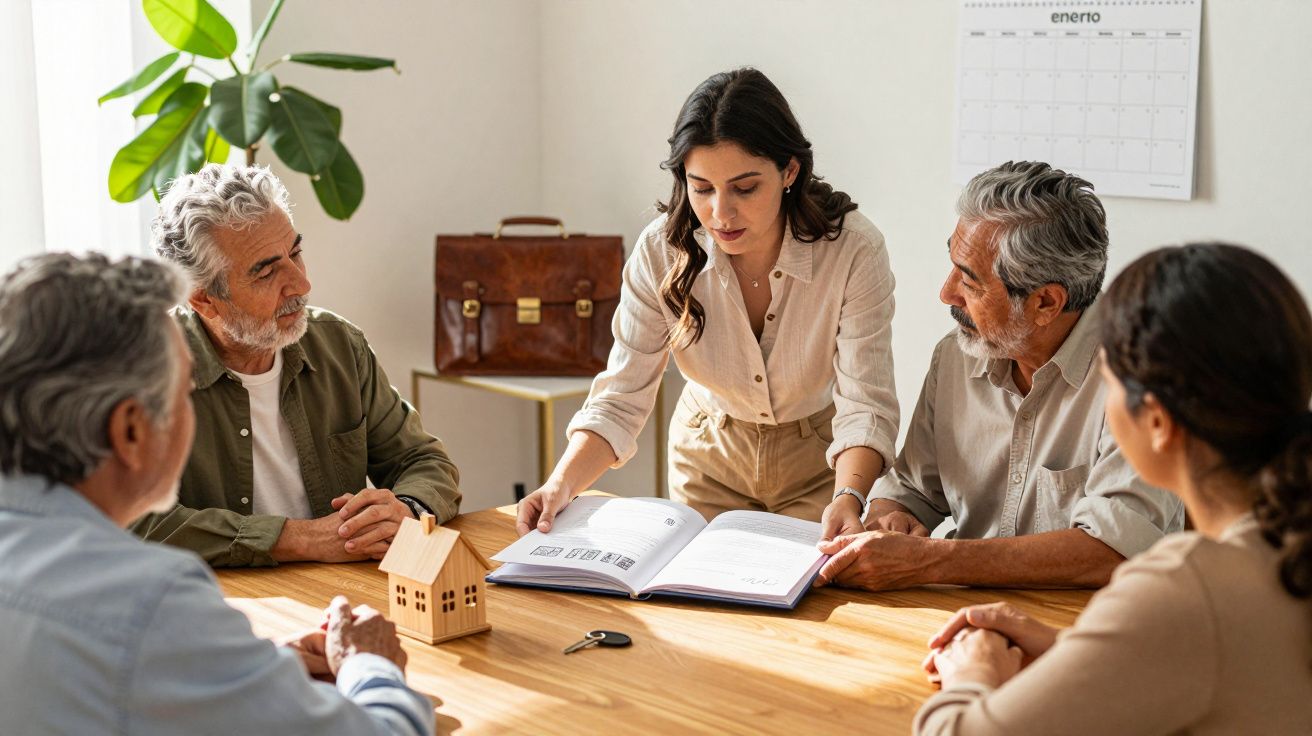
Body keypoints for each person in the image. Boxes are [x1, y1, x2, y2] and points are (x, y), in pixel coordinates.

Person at [0, 253, 436, 735]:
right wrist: (369, 664)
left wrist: (242, 670)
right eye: (183, 388)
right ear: (130, 431)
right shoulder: (152, 601)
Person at [917, 243, 1312, 734]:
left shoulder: (1184, 588)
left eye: (1109, 382)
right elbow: (1224, 667)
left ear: (1158, 422)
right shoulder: (1278, 550)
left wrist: (971, 672)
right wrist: (1076, 650)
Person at [515, 68, 899, 538]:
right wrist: (560, 484)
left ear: (790, 172)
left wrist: (850, 496)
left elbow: (866, 403)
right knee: (696, 604)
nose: (721, 213)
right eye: (702, 188)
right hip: (706, 458)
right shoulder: (660, 251)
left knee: (804, 596)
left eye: (745, 187)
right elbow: (620, 398)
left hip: (822, 463)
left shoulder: (853, 249)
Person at [815, 161, 1182, 591]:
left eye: (969, 282)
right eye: (951, 264)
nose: (946, 293)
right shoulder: (956, 356)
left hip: (1091, 625)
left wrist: (934, 561)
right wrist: (890, 518)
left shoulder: (1145, 376)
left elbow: (1111, 551)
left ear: (1045, 302)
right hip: (969, 618)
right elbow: (913, 488)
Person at [133, 164, 461, 567]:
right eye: (267, 271)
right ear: (202, 299)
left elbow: (425, 461)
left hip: (345, 590)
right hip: (220, 608)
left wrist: (406, 510)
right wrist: (293, 539)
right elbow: (134, 520)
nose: (301, 284)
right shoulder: (140, 374)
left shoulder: (339, 345)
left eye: (296, 254)